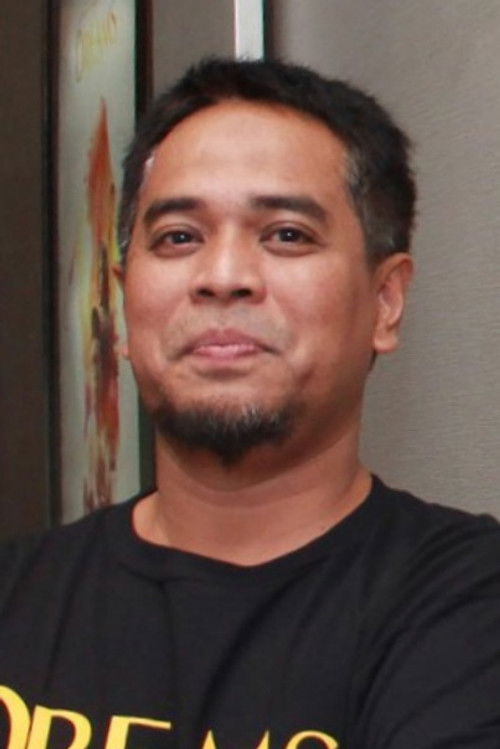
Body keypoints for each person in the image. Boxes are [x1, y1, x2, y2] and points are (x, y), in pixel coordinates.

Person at [1, 58, 500, 749]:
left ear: (385, 301)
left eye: (286, 234)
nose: (224, 276)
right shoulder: (17, 599)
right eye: (179, 237)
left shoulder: (467, 607)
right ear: (121, 307)